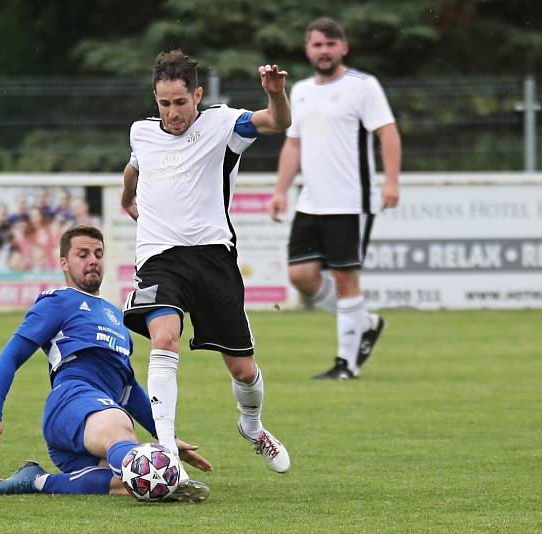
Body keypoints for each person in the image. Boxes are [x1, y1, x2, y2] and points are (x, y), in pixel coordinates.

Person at [120, 50, 291, 473]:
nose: (173, 112)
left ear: (197, 94)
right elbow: (134, 167)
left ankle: (252, 426)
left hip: (214, 258)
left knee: (243, 369)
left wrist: (277, 95)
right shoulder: (141, 131)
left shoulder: (224, 124)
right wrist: (128, 197)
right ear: (155, 99)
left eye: (181, 102)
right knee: (164, 338)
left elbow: (278, 122)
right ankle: (167, 453)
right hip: (161, 258)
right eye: (165, 103)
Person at [0, 225, 212, 502]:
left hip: (96, 427)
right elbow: (10, 356)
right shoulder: (58, 302)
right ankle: (151, 470)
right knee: (130, 443)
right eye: (82, 254)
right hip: (72, 403)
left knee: (128, 483)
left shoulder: (115, 316)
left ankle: (36, 480)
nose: (93, 260)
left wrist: (167, 437)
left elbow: (128, 389)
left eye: (98, 254)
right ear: (64, 262)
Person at [270, 17, 402, 380]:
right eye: (317, 44)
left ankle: (346, 363)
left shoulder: (363, 85)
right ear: (307, 50)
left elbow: (387, 133)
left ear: (343, 48)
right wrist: (281, 190)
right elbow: (292, 144)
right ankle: (365, 323)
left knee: (346, 280)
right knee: (301, 276)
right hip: (310, 201)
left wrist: (391, 181)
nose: (324, 51)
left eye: (331, 44)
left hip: (350, 201)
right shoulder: (299, 90)